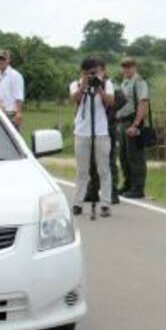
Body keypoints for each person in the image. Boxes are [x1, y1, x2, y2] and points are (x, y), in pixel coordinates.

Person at [69, 58, 116, 217]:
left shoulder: (106, 84)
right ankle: (78, 203)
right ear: (82, 72)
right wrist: (83, 85)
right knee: (82, 171)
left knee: (104, 169)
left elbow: (110, 102)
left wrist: (99, 89)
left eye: (94, 72)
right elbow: (73, 100)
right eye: (88, 72)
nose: (91, 75)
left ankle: (105, 203)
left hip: (101, 132)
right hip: (82, 132)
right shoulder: (75, 84)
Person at [84, 61, 121, 206]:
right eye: (92, 71)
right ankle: (92, 191)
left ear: (104, 71)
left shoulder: (108, 84)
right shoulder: (87, 84)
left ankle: (113, 193)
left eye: (98, 71)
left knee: (108, 161)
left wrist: (99, 87)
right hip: (91, 128)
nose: (95, 74)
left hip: (108, 126)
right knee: (92, 161)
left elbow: (115, 102)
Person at [116, 57, 150, 199]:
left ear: (135, 67)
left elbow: (143, 103)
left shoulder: (139, 82)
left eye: (129, 66)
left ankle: (138, 188)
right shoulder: (124, 83)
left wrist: (136, 124)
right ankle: (128, 184)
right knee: (124, 156)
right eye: (124, 66)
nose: (126, 69)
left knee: (135, 157)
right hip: (122, 122)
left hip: (133, 122)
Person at [0, 50, 24, 129]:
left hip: (11, 114)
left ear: (9, 60)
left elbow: (19, 95)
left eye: (4, 59)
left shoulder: (15, 75)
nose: (1, 61)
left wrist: (19, 113)